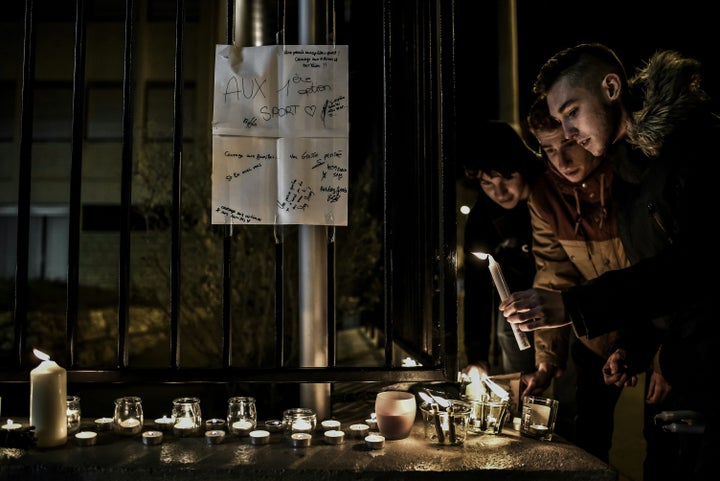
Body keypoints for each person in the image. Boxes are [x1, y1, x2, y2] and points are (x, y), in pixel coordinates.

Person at [500, 43, 720, 480]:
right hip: (684, 361)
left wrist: (574, 306)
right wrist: (633, 346)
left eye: (572, 112)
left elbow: (695, 266)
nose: (569, 132)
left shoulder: (692, 147)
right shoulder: (630, 171)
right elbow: (654, 278)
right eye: (560, 123)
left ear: (612, 87)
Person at [521, 96, 636, 462]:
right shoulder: (545, 195)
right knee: (586, 443)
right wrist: (548, 358)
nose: (561, 161)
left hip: (653, 325)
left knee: (664, 442)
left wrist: (665, 355)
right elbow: (555, 274)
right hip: (593, 335)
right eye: (549, 149)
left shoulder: (629, 179)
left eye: (569, 145)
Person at [461, 121, 543, 378]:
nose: (500, 192)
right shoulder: (481, 219)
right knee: (522, 386)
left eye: (507, 177)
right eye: (487, 183)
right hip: (516, 309)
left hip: (562, 297)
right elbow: (477, 288)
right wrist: (477, 356)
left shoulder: (545, 195)